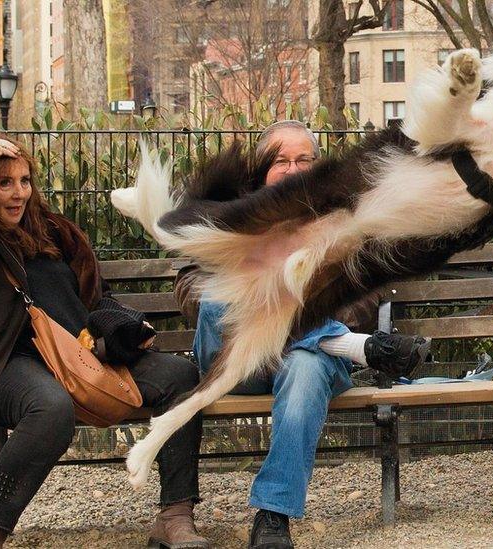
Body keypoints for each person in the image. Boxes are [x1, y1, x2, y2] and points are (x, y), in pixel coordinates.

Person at [0, 135, 210, 549]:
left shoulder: (56, 234)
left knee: (182, 377)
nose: (18, 193)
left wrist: (121, 332)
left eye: (24, 181)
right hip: (3, 365)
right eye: (4, 182)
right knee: (49, 406)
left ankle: (175, 517)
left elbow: (97, 300)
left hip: (81, 357)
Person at [173, 120, 430, 549]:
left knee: (308, 365)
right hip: (235, 360)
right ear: (262, 170)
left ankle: (272, 518)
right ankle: (355, 347)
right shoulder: (227, 215)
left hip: (303, 362)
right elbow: (191, 289)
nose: (293, 170)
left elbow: (365, 297)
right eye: (281, 161)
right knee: (226, 291)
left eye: (304, 160)